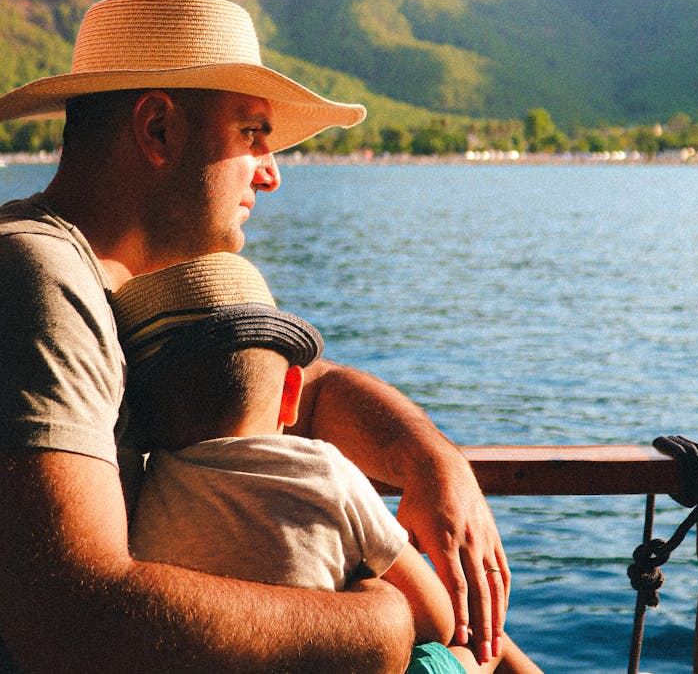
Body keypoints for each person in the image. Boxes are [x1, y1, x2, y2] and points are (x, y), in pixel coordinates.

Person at [0, 0, 510, 673]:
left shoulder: (121, 283)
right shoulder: (37, 276)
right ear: (157, 129)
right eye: (252, 134)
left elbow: (304, 391)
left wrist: (433, 462)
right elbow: (70, 621)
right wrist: (390, 619)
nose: (270, 174)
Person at [113, 252, 542, 674]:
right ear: (291, 393)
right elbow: (438, 620)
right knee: (492, 647)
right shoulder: (327, 472)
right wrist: (368, 587)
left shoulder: (145, 485)